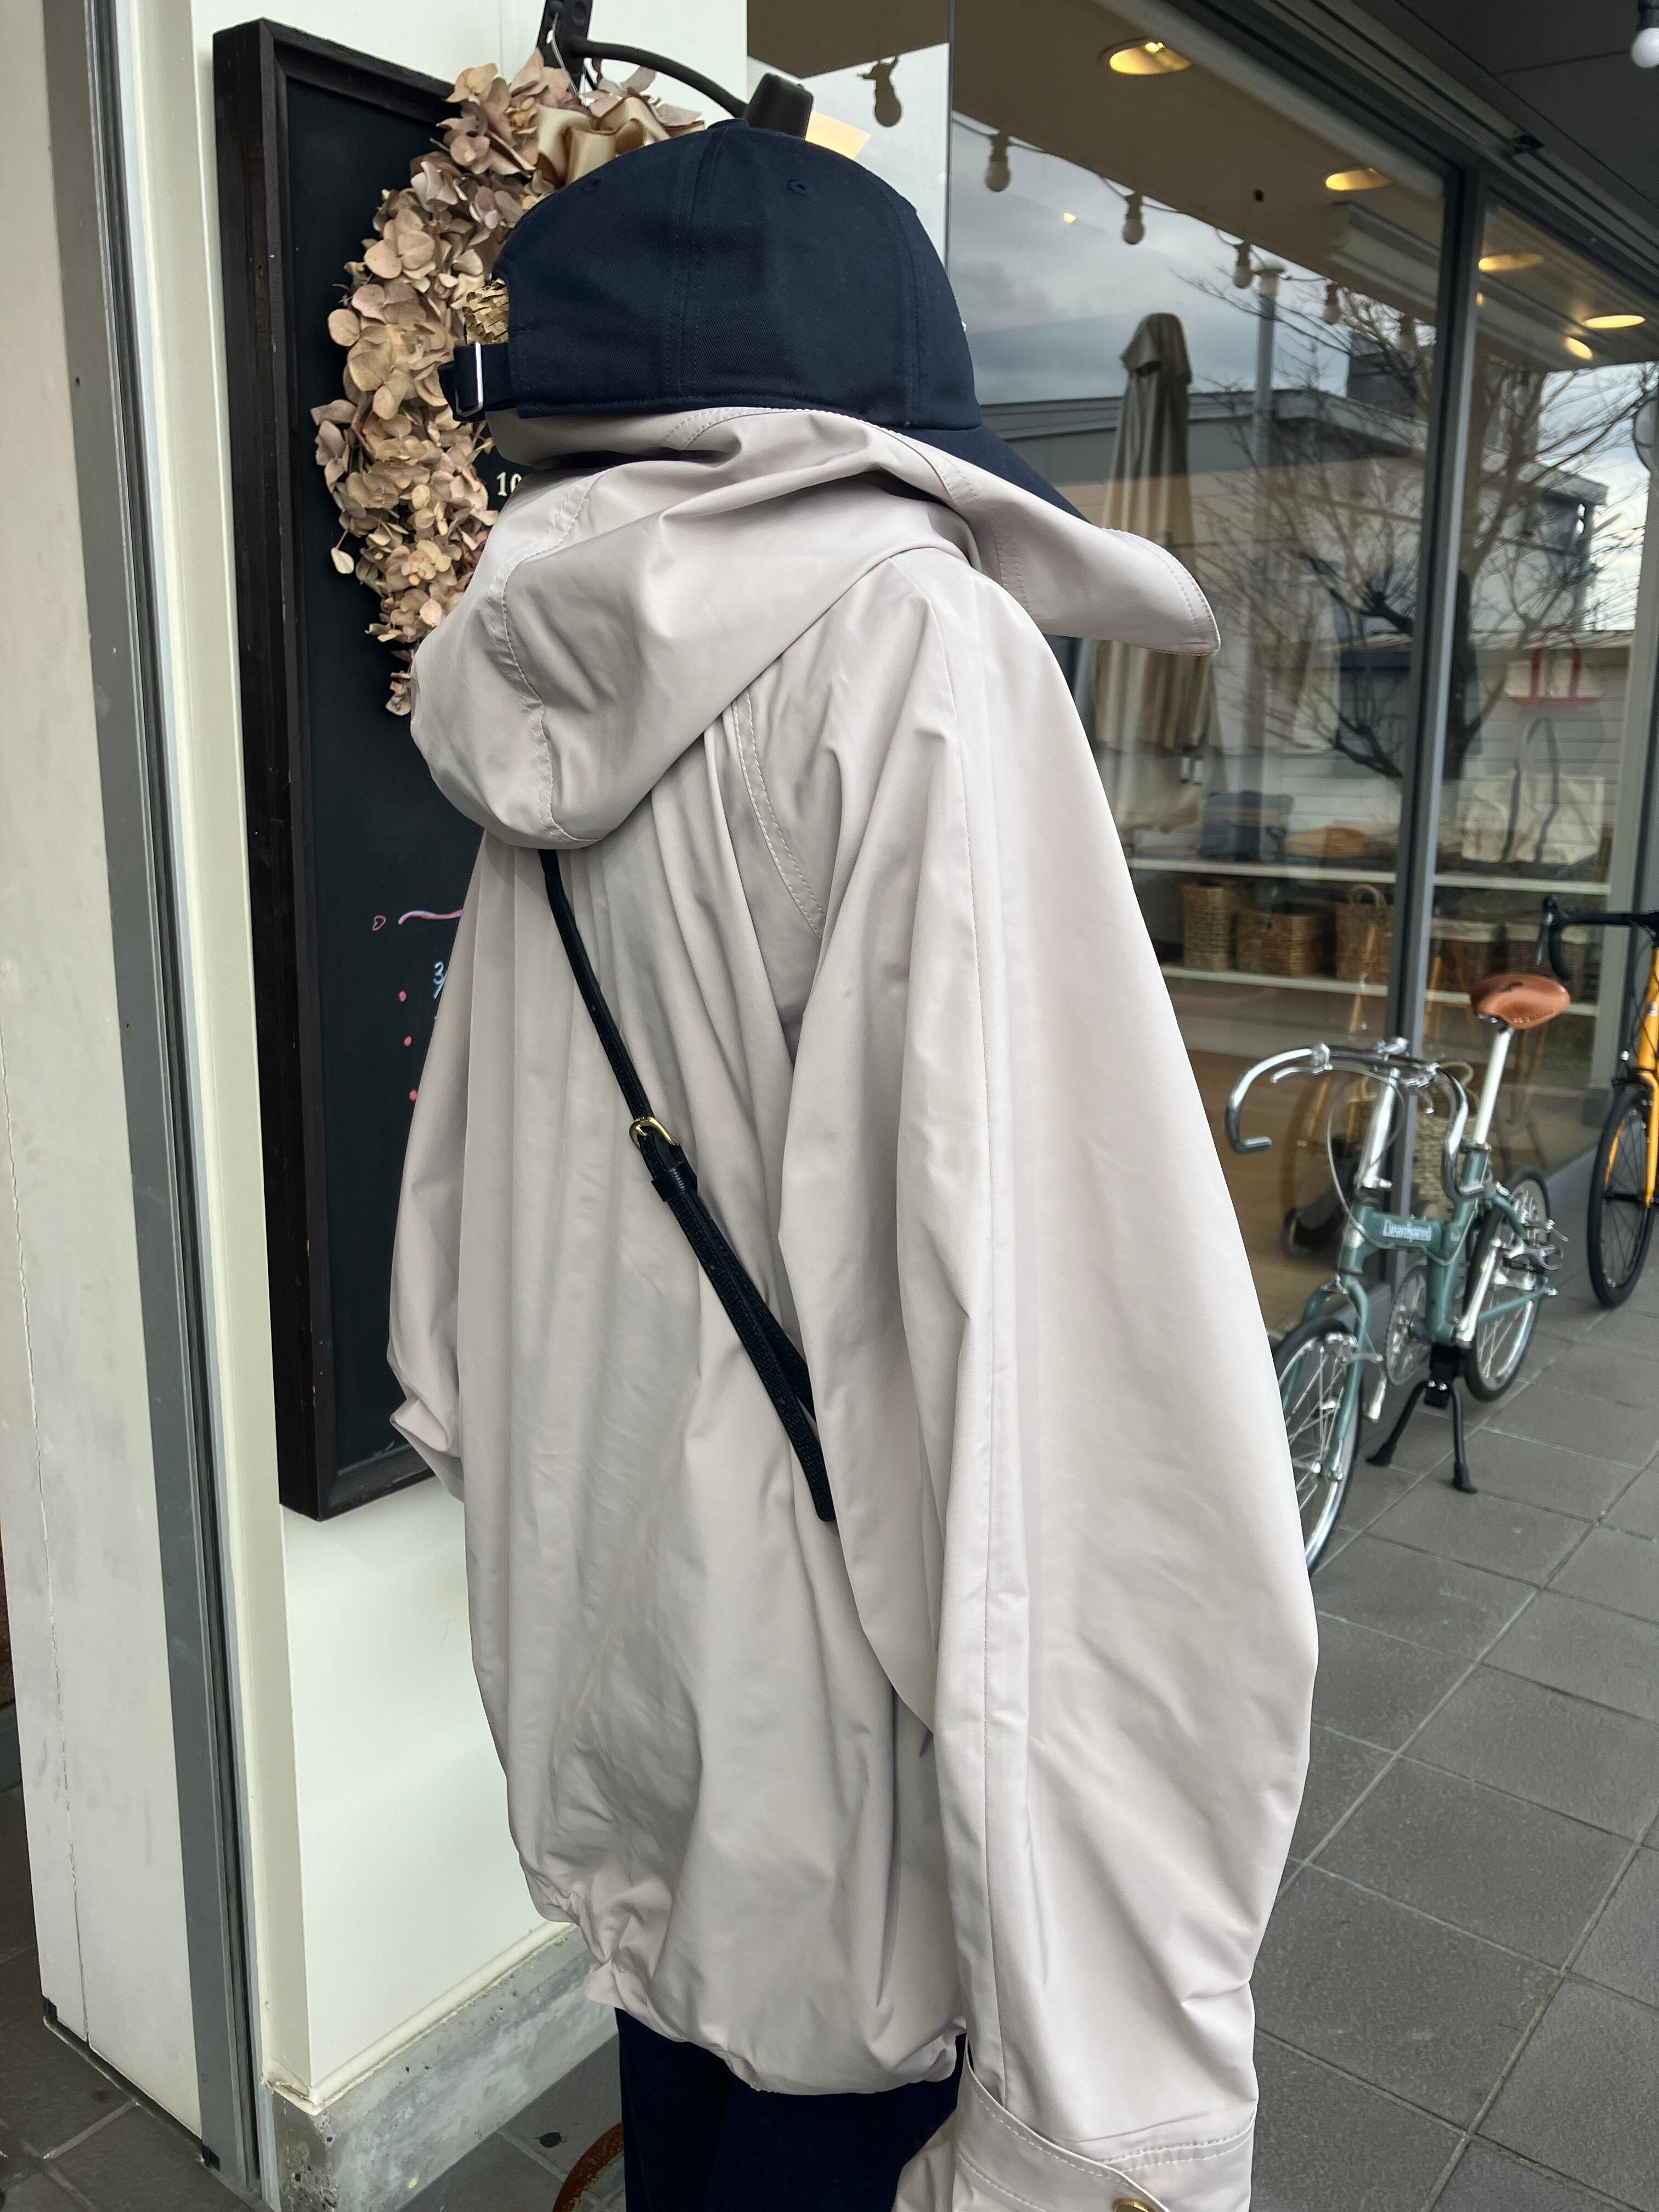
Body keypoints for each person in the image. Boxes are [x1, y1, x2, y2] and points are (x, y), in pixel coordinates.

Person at [390, 115, 1316, 2212]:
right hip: (857, 1803)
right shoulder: (919, 654)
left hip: (633, 1709)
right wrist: (1114, 2103)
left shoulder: (530, 681)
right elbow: (1084, 1412)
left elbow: (452, 1302)